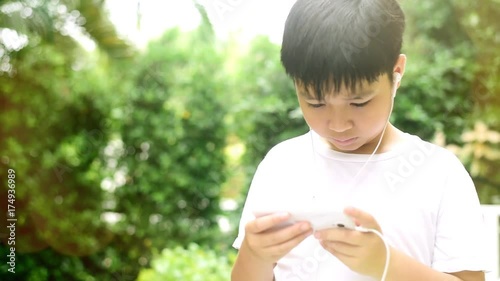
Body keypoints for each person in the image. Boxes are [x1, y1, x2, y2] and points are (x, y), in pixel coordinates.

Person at [231, 0, 488, 280]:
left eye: (359, 102)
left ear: (396, 72)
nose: (339, 125)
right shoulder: (281, 164)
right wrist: (254, 255)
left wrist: (385, 263)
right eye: (315, 103)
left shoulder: (439, 172)